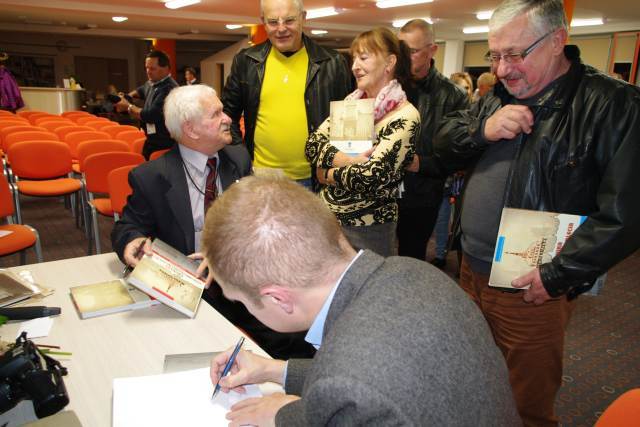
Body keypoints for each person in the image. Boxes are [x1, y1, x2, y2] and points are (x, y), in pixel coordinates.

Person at [433, 0, 640, 425]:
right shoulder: (499, 95)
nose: (502, 69)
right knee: (477, 376)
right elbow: (441, 144)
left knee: (526, 402)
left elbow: (626, 214)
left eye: (515, 54)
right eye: (495, 56)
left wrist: (557, 274)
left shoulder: (612, 104)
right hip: (472, 268)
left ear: (557, 40)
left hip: (532, 285)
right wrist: (481, 130)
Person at [202, 176, 519, 426]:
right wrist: (276, 370)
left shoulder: (351, 383)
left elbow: (355, 385)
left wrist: (286, 416)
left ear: (277, 298)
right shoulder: (414, 270)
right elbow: (384, 375)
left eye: (242, 302)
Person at [111, 85, 311, 359]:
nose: (228, 118)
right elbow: (127, 227)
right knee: (191, 350)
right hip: (188, 285)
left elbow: (253, 221)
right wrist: (132, 241)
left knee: (296, 337)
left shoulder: (238, 159)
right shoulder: (151, 177)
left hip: (238, 277)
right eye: (216, 114)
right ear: (191, 129)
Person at [305, 27, 419, 257]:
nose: (354, 66)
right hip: (327, 219)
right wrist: (348, 160)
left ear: (390, 62)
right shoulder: (352, 105)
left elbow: (370, 177)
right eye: (354, 58)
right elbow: (312, 146)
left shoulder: (405, 115)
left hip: (369, 228)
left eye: (363, 58)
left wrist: (324, 173)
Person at [221, 0, 352, 187]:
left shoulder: (332, 62)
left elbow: (347, 122)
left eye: (289, 20)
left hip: (316, 178)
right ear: (263, 22)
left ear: (303, 18)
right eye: (273, 22)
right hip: (260, 176)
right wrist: (240, 156)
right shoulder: (246, 61)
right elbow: (227, 116)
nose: (281, 29)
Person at [396, 19, 469, 261]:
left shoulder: (453, 96)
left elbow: (458, 156)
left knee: (410, 260)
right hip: (383, 191)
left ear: (432, 50)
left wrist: (420, 163)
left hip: (423, 194)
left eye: (412, 51)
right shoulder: (389, 88)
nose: (404, 58)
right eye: (401, 50)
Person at [115, 50, 179, 159]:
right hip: (152, 139)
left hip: (165, 142)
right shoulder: (152, 82)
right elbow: (141, 90)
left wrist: (128, 106)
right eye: (147, 68)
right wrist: (126, 97)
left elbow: (150, 115)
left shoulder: (169, 88)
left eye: (152, 68)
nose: (148, 72)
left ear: (166, 68)